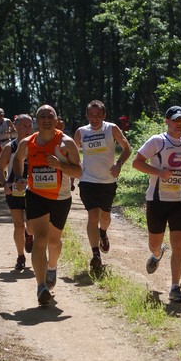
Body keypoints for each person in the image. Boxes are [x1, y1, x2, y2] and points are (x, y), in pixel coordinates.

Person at [13, 104, 82, 305]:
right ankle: (41, 286)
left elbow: (78, 172)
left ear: (56, 119)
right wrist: (19, 176)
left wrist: (60, 165)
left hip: (60, 198)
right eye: (42, 116)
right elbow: (18, 159)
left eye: (49, 115)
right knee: (40, 239)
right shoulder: (27, 143)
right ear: (36, 120)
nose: (46, 119)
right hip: (36, 195)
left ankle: (52, 266)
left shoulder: (66, 143)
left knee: (54, 241)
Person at [132, 106, 181, 304]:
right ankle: (157, 254)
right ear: (166, 121)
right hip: (157, 200)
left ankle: (175, 287)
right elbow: (137, 162)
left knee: (179, 244)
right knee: (154, 244)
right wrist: (159, 172)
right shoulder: (157, 141)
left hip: (179, 200)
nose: (179, 124)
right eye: (175, 120)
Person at [73, 100, 132, 271]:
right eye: (91, 115)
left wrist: (119, 164)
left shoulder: (111, 128)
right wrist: (72, 172)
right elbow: (72, 152)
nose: (94, 118)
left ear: (104, 116)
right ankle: (95, 254)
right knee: (92, 216)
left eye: (98, 115)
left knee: (104, 217)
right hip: (87, 180)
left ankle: (103, 232)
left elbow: (127, 148)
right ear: (86, 116)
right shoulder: (81, 132)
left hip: (108, 181)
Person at [0, 114, 34, 271]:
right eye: (24, 126)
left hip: (33, 191)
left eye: (29, 126)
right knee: (18, 225)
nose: (27, 129)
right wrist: (5, 183)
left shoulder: (36, 146)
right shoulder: (9, 147)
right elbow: (0, 169)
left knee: (30, 225)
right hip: (14, 190)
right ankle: (20, 256)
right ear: (16, 127)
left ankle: (29, 235)